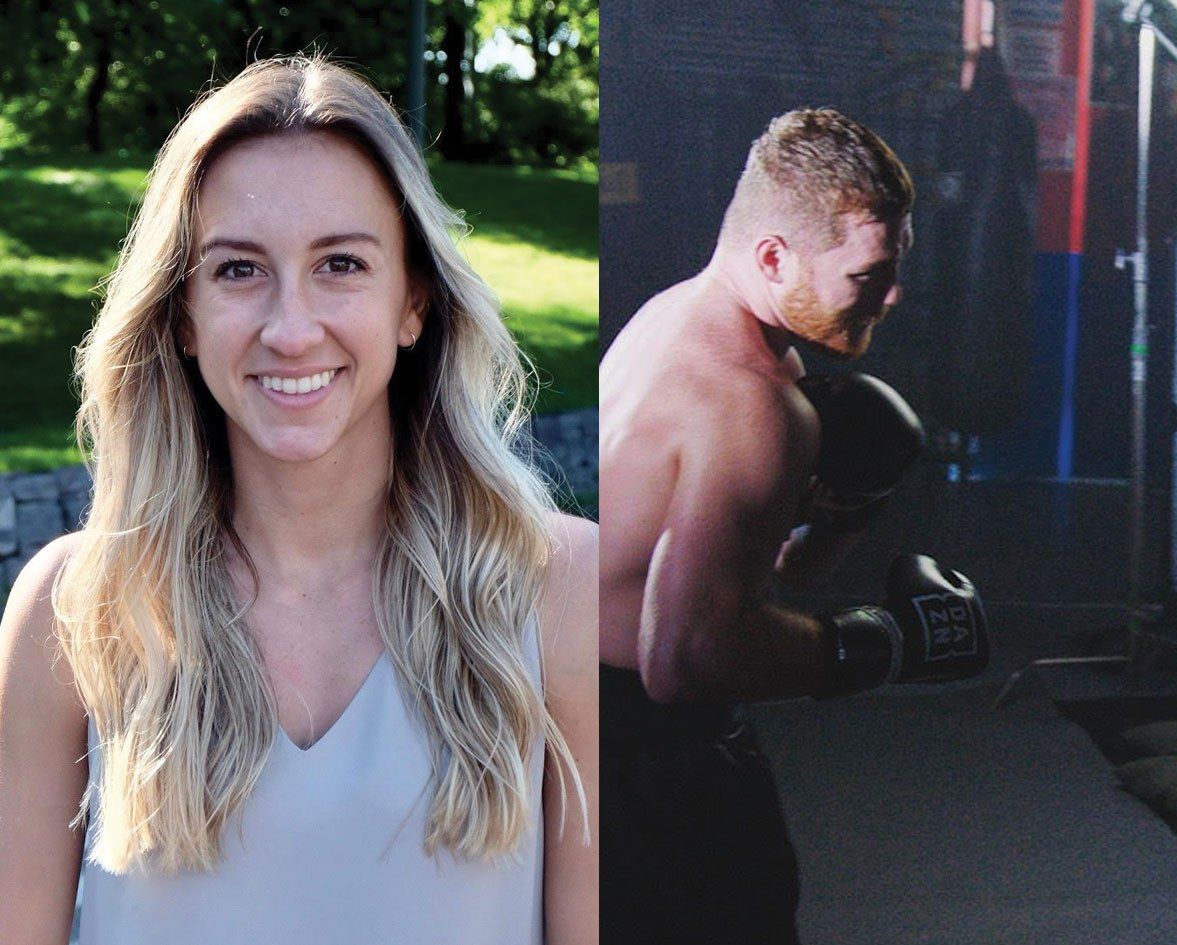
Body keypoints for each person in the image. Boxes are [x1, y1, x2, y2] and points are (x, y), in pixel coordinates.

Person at [0, 58, 598, 945]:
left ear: (414, 302)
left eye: (342, 264)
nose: (290, 328)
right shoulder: (73, 611)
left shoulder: (557, 590)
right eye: (240, 270)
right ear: (183, 316)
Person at [597, 108, 990, 944]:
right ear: (775, 256)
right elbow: (688, 655)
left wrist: (839, 516)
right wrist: (893, 642)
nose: (893, 295)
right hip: (645, 753)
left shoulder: (674, 318)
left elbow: (755, 572)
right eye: (869, 274)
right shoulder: (753, 402)